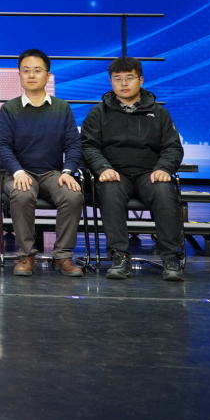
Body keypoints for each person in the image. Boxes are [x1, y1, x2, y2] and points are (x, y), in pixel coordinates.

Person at [80, 56, 185, 281]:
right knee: (109, 190)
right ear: (111, 82)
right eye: (117, 79)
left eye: (129, 77)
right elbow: (88, 146)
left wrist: (164, 168)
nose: (124, 83)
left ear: (141, 80)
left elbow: (172, 146)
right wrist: (102, 168)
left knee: (164, 192)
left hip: (150, 174)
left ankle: (170, 257)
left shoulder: (159, 113)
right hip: (115, 173)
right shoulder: (98, 113)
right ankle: (119, 256)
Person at [0, 49, 85, 277]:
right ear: (20, 75)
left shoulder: (61, 108)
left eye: (37, 70)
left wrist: (68, 171)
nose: (31, 75)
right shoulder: (9, 109)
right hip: (18, 173)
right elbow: (2, 146)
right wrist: (17, 171)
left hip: (53, 173)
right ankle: (26, 254)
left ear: (48, 75)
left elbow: (73, 144)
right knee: (22, 194)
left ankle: (62, 255)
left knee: (73, 195)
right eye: (26, 71)